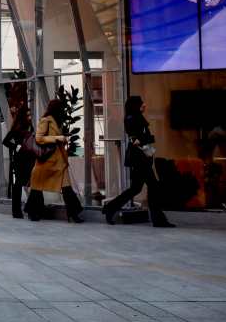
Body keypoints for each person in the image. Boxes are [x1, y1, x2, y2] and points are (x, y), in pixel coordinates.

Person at [102, 96, 175, 228]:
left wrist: (146, 138)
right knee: (153, 186)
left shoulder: (136, 117)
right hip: (139, 159)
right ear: (135, 105)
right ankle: (158, 219)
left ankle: (110, 208)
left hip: (141, 159)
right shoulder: (131, 118)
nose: (144, 105)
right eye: (141, 103)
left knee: (136, 189)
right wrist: (148, 138)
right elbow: (135, 139)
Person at [25, 99, 84, 223]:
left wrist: (62, 139)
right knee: (37, 187)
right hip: (47, 161)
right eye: (61, 108)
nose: (63, 110)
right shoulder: (46, 120)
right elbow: (39, 138)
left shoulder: (57, 121)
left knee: (67, 188)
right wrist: (57, 138)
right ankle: (33, 212)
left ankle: (74, 214)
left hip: (59, 161)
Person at [2, 105, 36, 219]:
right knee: (19, 184)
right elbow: (5, 141)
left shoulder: (30, 126)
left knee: (31, 183)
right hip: (20, 159)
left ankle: (29, 208)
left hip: (30, 158)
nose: (30, 117)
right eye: (28, 115)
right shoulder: (17, 128)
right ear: (23, 116)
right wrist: (16, 146)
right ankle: (17, 211)